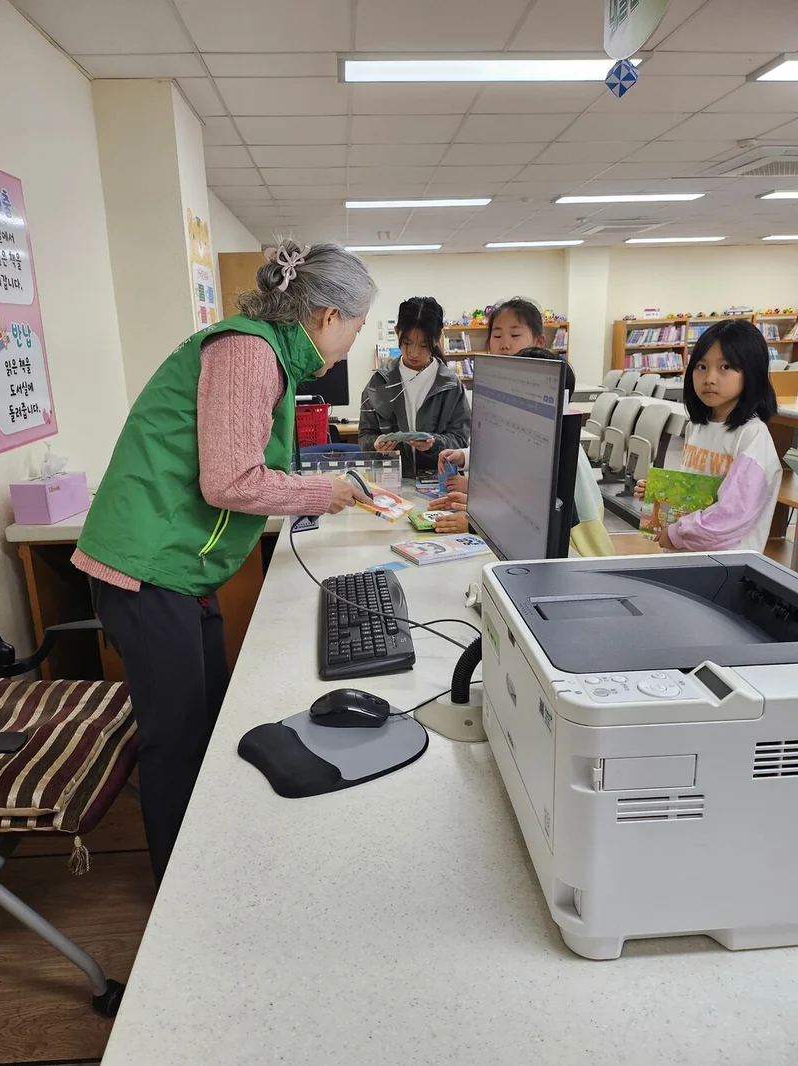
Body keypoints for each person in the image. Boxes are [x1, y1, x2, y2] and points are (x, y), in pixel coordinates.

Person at [72, 240, 375, 884]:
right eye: (357, 325)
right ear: (325, 317)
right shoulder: (248, 352)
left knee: (206, 721)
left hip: (179, 570)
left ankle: (205, 858)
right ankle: (178, 889)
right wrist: (325, 492)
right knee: (176, 740)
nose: (353, 340)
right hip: (148, 570)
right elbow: (231, 482)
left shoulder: (268, 355)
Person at [435, 299, 614, 557]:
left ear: (540, 341)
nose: (505, 343)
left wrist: (481, 517)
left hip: (577, 550)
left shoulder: (544, 413)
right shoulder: (512, 398)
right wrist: (475, 481)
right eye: (496, 335)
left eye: (515, 334)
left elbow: (533, 506)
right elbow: (509, 469)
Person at [634, 318, 780, 553]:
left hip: (723, 566)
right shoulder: (698, 426)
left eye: (725, 367)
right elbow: (696, 488)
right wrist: (661, 492)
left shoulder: (752, 436)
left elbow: (732, 514)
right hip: (687, 556)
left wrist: (677, 534)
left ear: (752, 372)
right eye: (701, 366)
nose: (709, 378)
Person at [358, 296, 470, 476]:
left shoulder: (450, 386)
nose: (414, 352)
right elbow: (365, 436)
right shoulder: (379, 383)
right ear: (397, 332)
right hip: (392, 483)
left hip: (438, 484)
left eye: (424, 345)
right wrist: (376, 444)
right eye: (407, 343)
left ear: (437, 339)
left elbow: (461, 441)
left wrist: (435, 443)